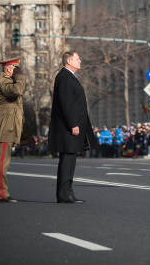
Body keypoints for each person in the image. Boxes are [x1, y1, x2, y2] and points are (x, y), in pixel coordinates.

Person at [49, 51, 99, 203]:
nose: (80, 61)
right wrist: (73, 124)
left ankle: (67, 192)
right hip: (68, 127)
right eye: (77, 59)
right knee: (67, 160)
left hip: (72, 126)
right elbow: (66, 103)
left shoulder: (70, 77)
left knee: (70, 160)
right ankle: (64, 194)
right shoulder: (65, 77)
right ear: (69, 61)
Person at [0, 57, 26, 203]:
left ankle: (1, 193)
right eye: (16, 69)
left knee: (3, 161)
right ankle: (1, 194)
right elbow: (17, 91)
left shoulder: (8, 81)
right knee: (1, 161)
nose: (18, 72)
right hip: (4, 125)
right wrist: (21, 76)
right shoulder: (3, 80)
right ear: (9, 69)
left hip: (8, 124)